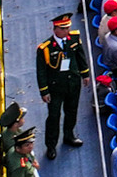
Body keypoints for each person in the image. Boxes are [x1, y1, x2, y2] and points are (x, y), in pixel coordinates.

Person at [35, 12, 88, 159]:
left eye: (68, 28)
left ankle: (69, 135)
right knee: (54, 116)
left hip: (73, 83)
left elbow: (80, 56)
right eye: (63, 29)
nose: (67, 31)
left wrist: (85, 74)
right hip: (55, 87)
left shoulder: (74, 39)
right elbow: (41, 71)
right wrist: (44, 91)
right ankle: (51, 145)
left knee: (71, 111)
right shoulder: (45, 49)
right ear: (55, 29)